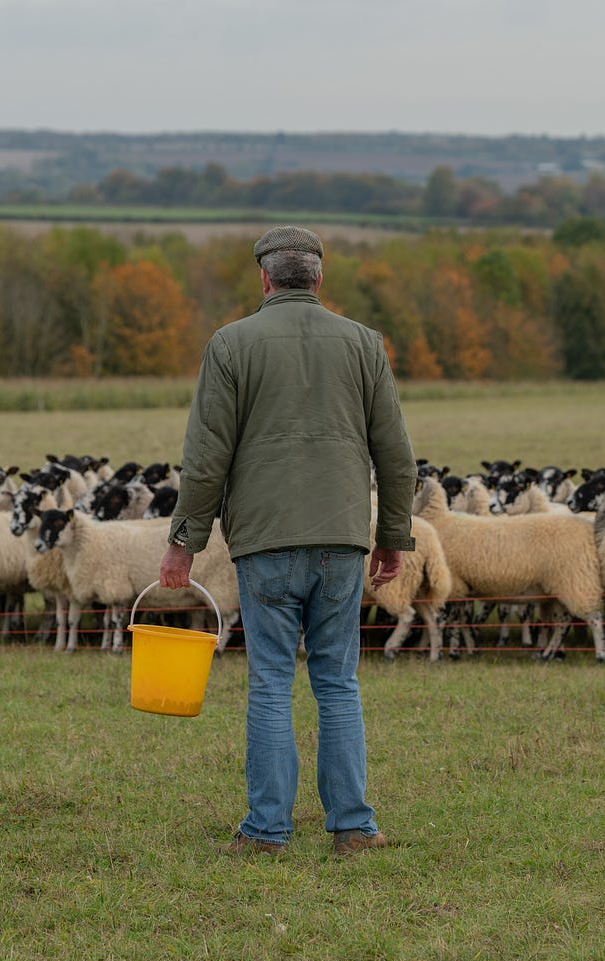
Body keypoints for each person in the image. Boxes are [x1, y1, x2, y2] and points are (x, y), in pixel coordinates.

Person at [158, 225, 417, 857]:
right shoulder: (364, 344)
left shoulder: (230, 345)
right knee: (338, 681)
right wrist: (393, 536)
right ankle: (354, 826)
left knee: (271, 682)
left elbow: (205, 457)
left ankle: (267, 832)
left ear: (265, 279)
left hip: (265, 543)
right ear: (319, 278)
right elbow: (397, 456)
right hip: (341, 539)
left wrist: (183, 542)